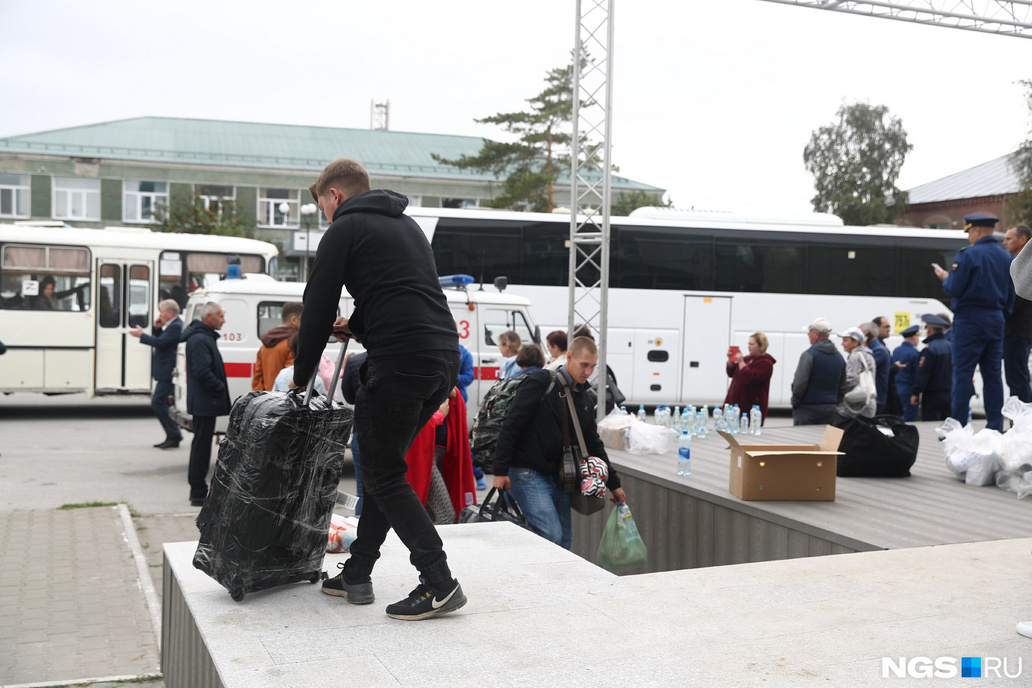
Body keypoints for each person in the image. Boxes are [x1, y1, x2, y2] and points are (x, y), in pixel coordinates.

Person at [290, 157, 465, 621]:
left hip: (399, 364)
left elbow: (317, 304)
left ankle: (439, 582)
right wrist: (358, 324)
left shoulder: (344, 229)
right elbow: (401, 291)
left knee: (383, 476)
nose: (326, 217)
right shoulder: (408, 227)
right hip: (442, 359)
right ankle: (357, 572)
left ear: (335, 195)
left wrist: (301, 374)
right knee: (383, 474)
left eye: (323, 207)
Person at [491, 336, 628, 549]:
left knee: (564, 541)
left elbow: (593, 443)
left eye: (593, 366)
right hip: (527, 472)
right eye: (584, 364)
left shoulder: (584, 396)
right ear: (570, 356)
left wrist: (614, 484)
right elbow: (512, 424)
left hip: (561, 476)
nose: (588, 372)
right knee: (551, 535)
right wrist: (499, 470)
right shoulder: (541, 381)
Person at [934, 213, 1015, 431]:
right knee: (993, 375)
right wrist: (1001, 314)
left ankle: (958, 427)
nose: (968, 236)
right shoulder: (1006, 257)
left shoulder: (967, 254)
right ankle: (995, 427)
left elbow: (954, 288)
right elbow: (1011, 295)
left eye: (969, 231)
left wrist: (945, 279)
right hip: (996, 319)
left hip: (969, 320)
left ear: (977, 230)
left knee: (963, 374)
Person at [181, 302, 231, 507]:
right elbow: (202, 371)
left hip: (205, 400)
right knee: (201, 447)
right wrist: (219, 387)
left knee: (201, 445)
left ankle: (199, 489)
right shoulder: (200, 339)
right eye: (221, 316)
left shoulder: (204, 337)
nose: (223, 320)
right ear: (209, 317)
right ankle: (198, 492)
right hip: (205, 401)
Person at [129, 299, 184, 448]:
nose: (160, 315)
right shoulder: (172, 325)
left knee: (158, 402)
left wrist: (141, 335)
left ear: (170, 313)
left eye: (161, 312)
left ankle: (174, 434)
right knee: (161, 402)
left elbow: (160, 343)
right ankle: (173, 435)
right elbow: (162, 340)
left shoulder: (176, 326)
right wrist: (158, 328)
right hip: (166, 371)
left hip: (168, 372)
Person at [791, 317, 846, 425]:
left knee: (804, 436)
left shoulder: (809, 355)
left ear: (816, 334)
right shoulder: (839, 357)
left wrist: (795, 402)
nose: (808, 335)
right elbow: (843, 385)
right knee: (830, 436)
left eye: (810, 332)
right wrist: (836, 403)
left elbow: (800, 383)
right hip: (832, 409)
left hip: (807, 409)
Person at [1002, 225, 1032, 403]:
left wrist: (998, 315)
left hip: (1017, 331)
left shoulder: (1023, 269)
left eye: (1009, 238)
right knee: (1019, 377)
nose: (1004, 242)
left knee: (1017, 379)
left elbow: (1014, 300)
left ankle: (1023, 416)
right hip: (1021, 330)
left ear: (1022, 240)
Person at [724, 332, 776, 425]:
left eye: (751, 344)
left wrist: (741, 362)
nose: (748, 347)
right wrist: (731, 361)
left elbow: (750, 378)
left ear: (761, 346)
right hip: (734, 407)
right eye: (748, 344)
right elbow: (732, 373)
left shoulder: (766, 364)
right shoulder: (747, 359)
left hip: (750, 410)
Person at [252, 301, 303, 391]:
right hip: (284, 396)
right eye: (302, 320)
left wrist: (263, 396)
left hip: (267, 396)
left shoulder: (265, 344)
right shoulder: (293, 343)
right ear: (294, 320)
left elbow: (257, 378)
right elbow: (291, 376)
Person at [910, 315, 952, 421]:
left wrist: (916, 393)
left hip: (933, 395)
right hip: (950, 393)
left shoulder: (930, 349)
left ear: (929, 330)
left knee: (931, 423)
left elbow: (923, 373)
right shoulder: (951, 346)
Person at [835, 326, 877, 420]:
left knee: (836, 427)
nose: (842, 343)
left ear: (855, 342)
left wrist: (839, 392)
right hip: (868, 402)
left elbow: (852, 380)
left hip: (855, 406)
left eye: (845, 340)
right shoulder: (869, 355)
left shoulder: (855, 356)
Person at [891, 325, 921, 422]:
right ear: (913, 337)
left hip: (896, 388)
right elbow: (917, 374)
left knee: (896, 418)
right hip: (909, 389)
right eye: (917, 336)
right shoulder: (915, 353)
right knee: (909, 419)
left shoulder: (896, 350)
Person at [869, 317, 892, 414]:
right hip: (874, 396)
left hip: (875, 396)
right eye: (886, 327)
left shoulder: (879, 348)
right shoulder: (879, 349)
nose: (889, 329)